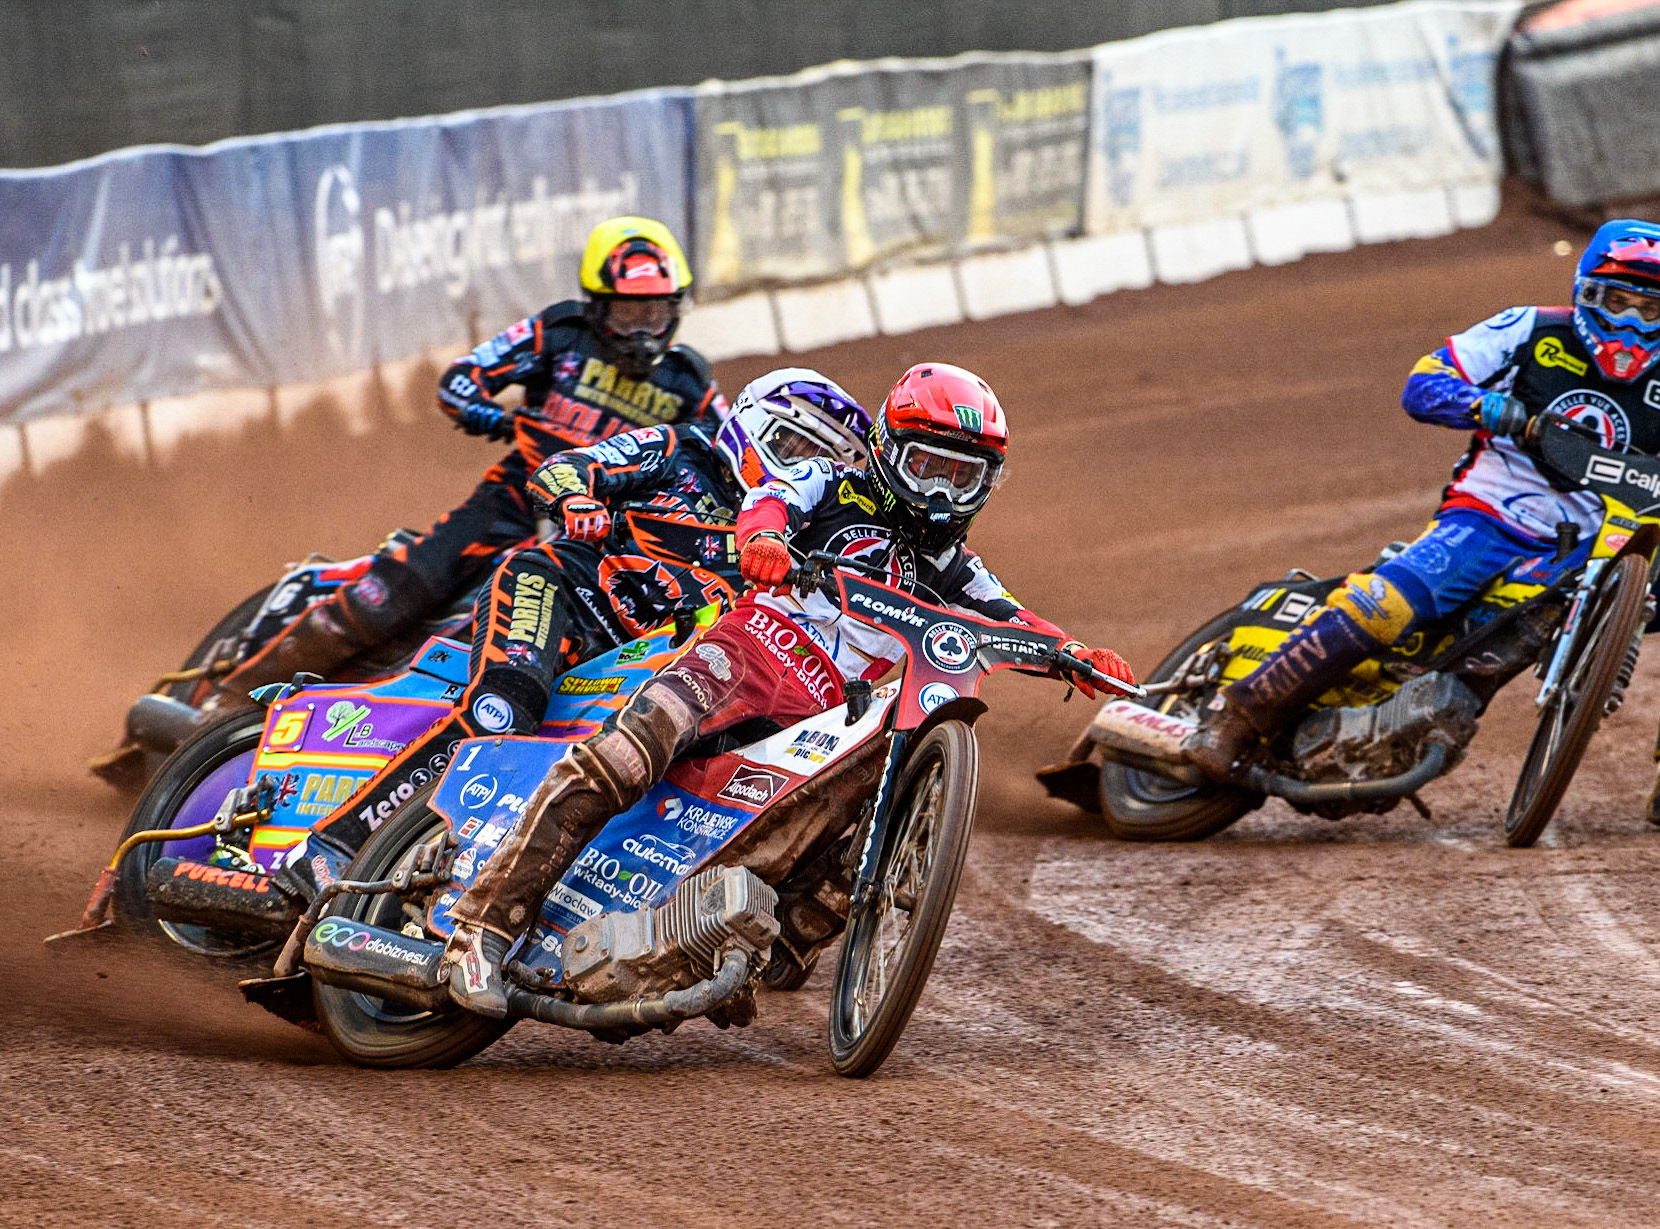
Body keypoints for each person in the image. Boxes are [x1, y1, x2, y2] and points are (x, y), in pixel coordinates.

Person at [441, 362, 1137, 1016]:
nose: (936, 493)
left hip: (826, 713)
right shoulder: (826, 481)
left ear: (986, 485)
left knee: (851, 809)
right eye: (926, 466)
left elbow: (1008, 615)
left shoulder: (954, 565)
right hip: (746, 653)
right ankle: (481, 927)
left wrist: (1071, 653)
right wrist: (764, 541)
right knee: (626, 756)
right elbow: (769, 503)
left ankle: (748, 942)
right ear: (888, 448)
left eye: (960, 478)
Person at [1183, 219, 1660, 830]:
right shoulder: (1526, 329)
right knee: (1386, 605)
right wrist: (1499, 411)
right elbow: (1424, 383)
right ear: (1586, 292)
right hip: (1488, 519)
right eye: (1617, 300)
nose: (1629, 322)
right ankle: (1234, 719)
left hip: (1598, 548)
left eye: (1650, 310)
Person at [274, 370, 873, 901]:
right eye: (793, 445)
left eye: (818, 459)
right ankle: (330, 848)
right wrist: (578, 495)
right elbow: (563, 466)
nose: (798, 466)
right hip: (561, 593)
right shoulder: (678, 448)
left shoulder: (796, 539)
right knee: (501, 713)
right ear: (752, 426)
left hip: (638, 663)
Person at [218, 216, 725, 697]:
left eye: (654, 312)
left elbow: (733, 450)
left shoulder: (689, 380)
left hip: (599, 530)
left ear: (676, 309)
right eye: (628, 311)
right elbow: (463, 378)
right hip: (511, 503)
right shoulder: (561, 333)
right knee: (396, 597)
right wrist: (489, 415)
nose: (641, 329)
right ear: (595, 306)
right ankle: (232, 698)